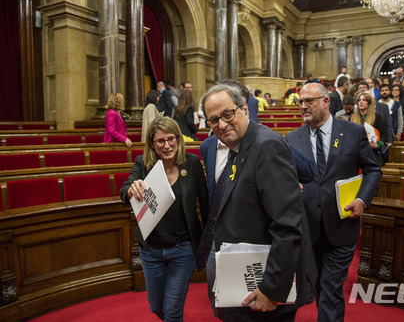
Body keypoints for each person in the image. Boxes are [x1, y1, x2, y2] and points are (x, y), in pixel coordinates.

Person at [198, 83, 317, 322]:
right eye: (213, 120)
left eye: (227, 114)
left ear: (244, 108)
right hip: (242, 276)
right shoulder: (239, 147)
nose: (221, 125)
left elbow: (288, 226)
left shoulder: (267, 146)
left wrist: (272, 289)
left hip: (264, 288)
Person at [285, 83, 382, 322]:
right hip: (308, 228)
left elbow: (373, 169)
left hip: (342, 225)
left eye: (309, 101)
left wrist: (362, 199)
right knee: (319, 285)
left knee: (329, 287)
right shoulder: (291, 138)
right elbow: (287, 176)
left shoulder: (352, 132)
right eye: (300, 102)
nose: (303, 106)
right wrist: (290, 184)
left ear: (326, 101)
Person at [119, 117, 209, 322]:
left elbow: (204, 204)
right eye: (160, 141)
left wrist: (207, 243)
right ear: (152, 143)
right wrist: (131, 190)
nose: (167, 145)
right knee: (156, 307)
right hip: (151, 250)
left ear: (178, 139)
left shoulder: (192, 163)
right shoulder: (143, 164)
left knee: (172, 310)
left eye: (171, 139)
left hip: (183, 249)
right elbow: (124, 190)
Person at [350, 92, 389, 166]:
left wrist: (377, 145)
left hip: (372, 154)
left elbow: (385, 135)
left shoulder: (377, 117)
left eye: (364, 100)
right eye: (359, 100)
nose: (361, 102)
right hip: (355, 155)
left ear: (369, 103)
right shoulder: (351, 117)